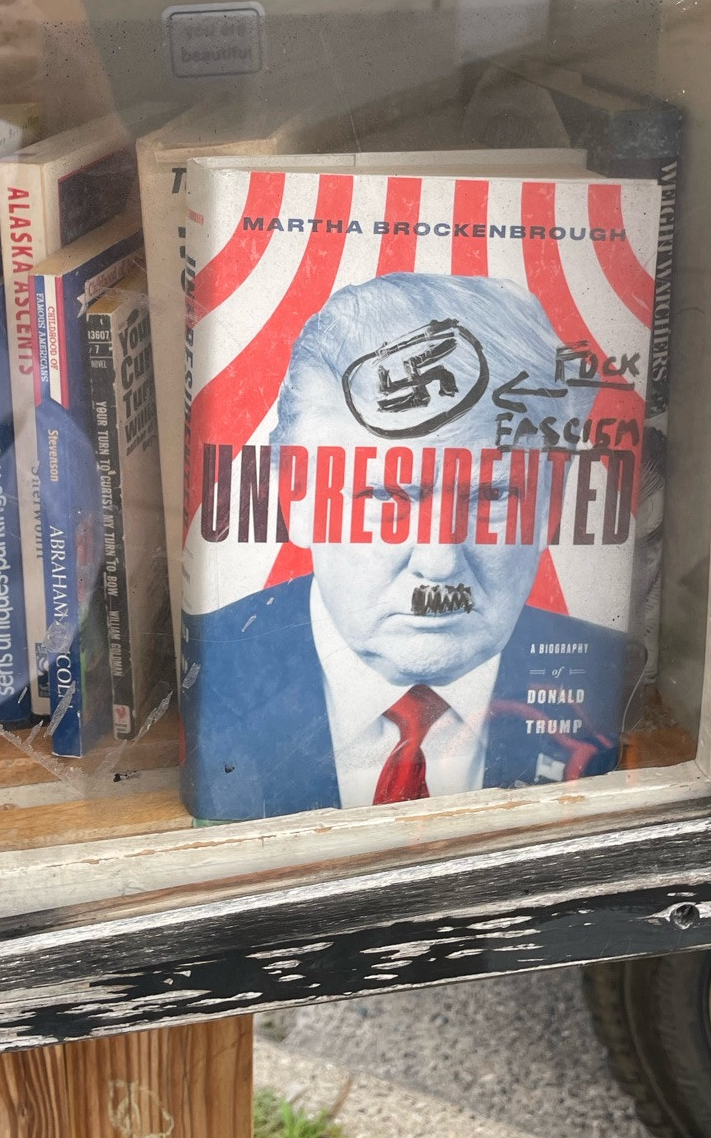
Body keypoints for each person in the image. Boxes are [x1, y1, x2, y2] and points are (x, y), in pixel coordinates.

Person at [180, 270, 643, 823]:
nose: (440, 560)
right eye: (384, 494)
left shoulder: (610, 676)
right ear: (294, 498)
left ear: (552, 503)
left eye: (493, 494)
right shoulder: (210, 670)